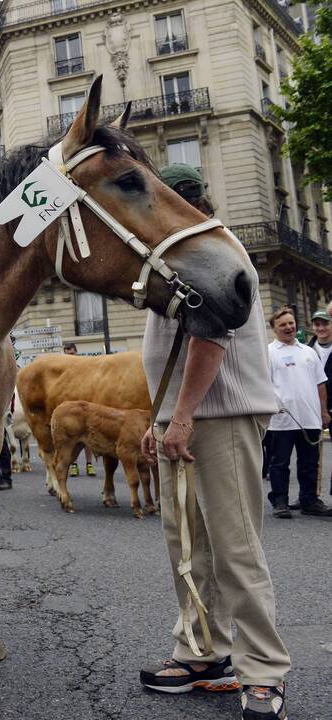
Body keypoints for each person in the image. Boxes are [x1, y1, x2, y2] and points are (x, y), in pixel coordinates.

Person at [139, 163, 290, 720]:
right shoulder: (175, 254)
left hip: (219, 416)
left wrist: (178, 418)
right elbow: (170, 349)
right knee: (189, 548)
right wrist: (157, 419)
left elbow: (211, 339)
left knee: (235, 547)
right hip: (184, 417)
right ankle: (202, 652)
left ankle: (264, 669)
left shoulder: (214, 250)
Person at [266, 306, 332, 518]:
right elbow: (263, 384)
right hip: (282, 420)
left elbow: (320, 384)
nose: (289, 327)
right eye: (283, 324)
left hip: (309, 418)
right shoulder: (268, 352)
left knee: (309, 462)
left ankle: (309, 500)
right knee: (280, 463)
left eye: (291, 323)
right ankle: (280, 501)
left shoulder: (308, 351)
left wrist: (323, 412)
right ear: (274, 329)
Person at [307, 307, 332, 506]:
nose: (321, 327)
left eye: (325, 323)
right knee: (310, 454)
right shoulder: (307, 350)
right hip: (315, 407)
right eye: (317, 324)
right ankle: (309, 497)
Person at [62, 342, 96, 477]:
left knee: (88, 437)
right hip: (70, 406)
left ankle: (89, 464)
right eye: (67, 354)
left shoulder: (84, 365)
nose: (70, 356)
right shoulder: (64, 369)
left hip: (85, 405)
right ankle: (74, 465)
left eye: (72, 353)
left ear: (76, 352)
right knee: (72, 438)